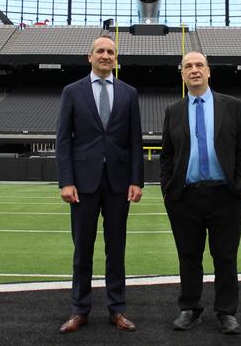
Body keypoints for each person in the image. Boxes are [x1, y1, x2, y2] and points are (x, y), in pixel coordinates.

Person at [56, 34, 144, 334]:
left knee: (116, 249)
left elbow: (135, 141)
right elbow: (63, 140)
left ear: (115, 58)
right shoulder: (72, 91)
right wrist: (66, 181)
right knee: (82, 249)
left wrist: (137, 180)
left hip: (119, 183)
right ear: (89, 57)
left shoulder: (129, 93)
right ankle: (80, 310)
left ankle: (117, 309)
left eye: (111, 51)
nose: (106, 55)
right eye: (100, 51)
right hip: (83, 183)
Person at [160, 51, 241, 335]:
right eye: (188, 66)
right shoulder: (173, 110)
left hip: (224, 194)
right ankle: (190, 308)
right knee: (188, 256)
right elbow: (167, 155)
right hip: (185, 196)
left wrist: (240, 186)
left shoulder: (231, 106)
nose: (194, 70)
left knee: (225, 256)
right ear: (183, 74)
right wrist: (168, 189)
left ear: (209, 72)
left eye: (199, 65)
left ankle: (226, 312)